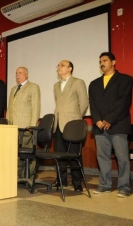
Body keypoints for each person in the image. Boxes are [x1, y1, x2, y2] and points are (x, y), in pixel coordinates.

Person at [89, 52, 132, 197]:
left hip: (118, 124)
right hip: (99, 126)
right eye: (100, 61)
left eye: (105, 60)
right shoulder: (94, 83)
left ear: (113, 62)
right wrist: (97, 120)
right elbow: (93, 105)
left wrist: (109, 119)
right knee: (103, 157)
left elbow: (124, 102)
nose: (102, 63)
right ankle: (104, 185)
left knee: (122, 157)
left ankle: (125, 187)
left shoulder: (125, 80)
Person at [53, 60, 89, 192]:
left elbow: (84, 102)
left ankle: (77, 183)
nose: (59, 67)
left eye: (62, 65)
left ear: (70, 69)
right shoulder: (56, 85)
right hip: (58, 124)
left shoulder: (78, 82)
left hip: (72, 124)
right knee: (60, 155)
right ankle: (61, 181)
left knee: (74, 155)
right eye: (58, 65)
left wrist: (76, 120)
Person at [6, 66, 40, 178]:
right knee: (15, 153)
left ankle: (29, 176)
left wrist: (32, 126)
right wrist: (8, 125)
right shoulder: (13, 89)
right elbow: (10, 108)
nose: (17, 75)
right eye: (16, 73)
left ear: (26, 74)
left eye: (20, 73)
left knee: (27, 153)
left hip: (26, 127)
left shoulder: (33, 87)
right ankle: (17, 176)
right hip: (13, 127)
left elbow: (35, 107)